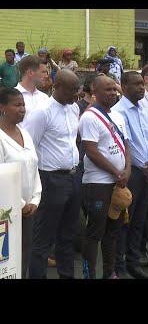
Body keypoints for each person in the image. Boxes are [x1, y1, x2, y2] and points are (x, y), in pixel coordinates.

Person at [23, 70, 81, 279]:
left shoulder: (73, 108)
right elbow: (29, 147)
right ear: (57, 86)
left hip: (73, 177)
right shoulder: (42, 112)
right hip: (51, 180)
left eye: (78, 90)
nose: (76, 95)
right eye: (71, 90)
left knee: (68, 235)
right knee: (43, 239)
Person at [79, 75, 131, 279]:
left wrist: (127, 171)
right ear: (95, 92)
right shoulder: (89, 117)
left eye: (114, 89)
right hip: (98, 183)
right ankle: (88, 274)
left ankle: (109, 273)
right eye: (107, 90)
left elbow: (126, 145)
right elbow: (91, 151)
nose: (113, 93)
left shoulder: (118, 116)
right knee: (95, 232)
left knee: (113, 231)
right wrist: (116, 172)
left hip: (118, 183)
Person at [112, 71, 148, 279]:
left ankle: (134, 262)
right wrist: (144, 165)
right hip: (130, 173)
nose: (141, 87)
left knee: (140, 220)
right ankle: (119, 266)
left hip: (146, 173)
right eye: (136, 84)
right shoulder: (118, 111)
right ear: (124, 86)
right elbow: (127, 144)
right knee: (125, 223)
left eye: (142, 84)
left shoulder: (144, 111)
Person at [0, 88, 41, 278]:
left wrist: (34, 200)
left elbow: (34, 170)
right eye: (17, 105)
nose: (23, 109)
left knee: (24, 255)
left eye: (23, 104)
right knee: (6, 260)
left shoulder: (25, 134)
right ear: (2, 107)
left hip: (28, 212)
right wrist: (21, 205)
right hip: (6, 213)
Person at [15, 56, 49, 124]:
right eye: (43, 72)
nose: (46, 76)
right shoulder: (10, 97)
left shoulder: (45, 98)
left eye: (47, 72)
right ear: (30, 72)